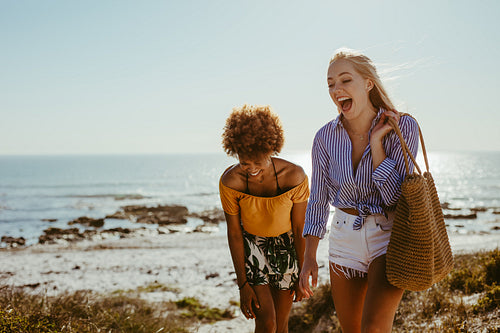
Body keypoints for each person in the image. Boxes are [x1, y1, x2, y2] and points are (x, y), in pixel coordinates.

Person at [298, 48, 419, 332]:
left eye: (345, 80)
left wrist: (377, 146)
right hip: (343, 239)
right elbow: (317, 199)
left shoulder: (403, 127)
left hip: (389, 236)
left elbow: (395, 198)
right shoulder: (324, 137)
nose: (336, 90)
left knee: (374, 328)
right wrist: (308, 258)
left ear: (368, 83)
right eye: (330, 84)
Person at [219, 104, 310, 333]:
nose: (250, 169)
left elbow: (299, 228)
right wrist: (242, 284)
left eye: (257, 163)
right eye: (244, 163)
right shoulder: (231, 182)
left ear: (271, 150)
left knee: (281, 325)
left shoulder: (295, 176)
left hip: (286, 249)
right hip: (252, 249)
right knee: (267, 323)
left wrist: (302, 271)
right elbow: (234, 233)